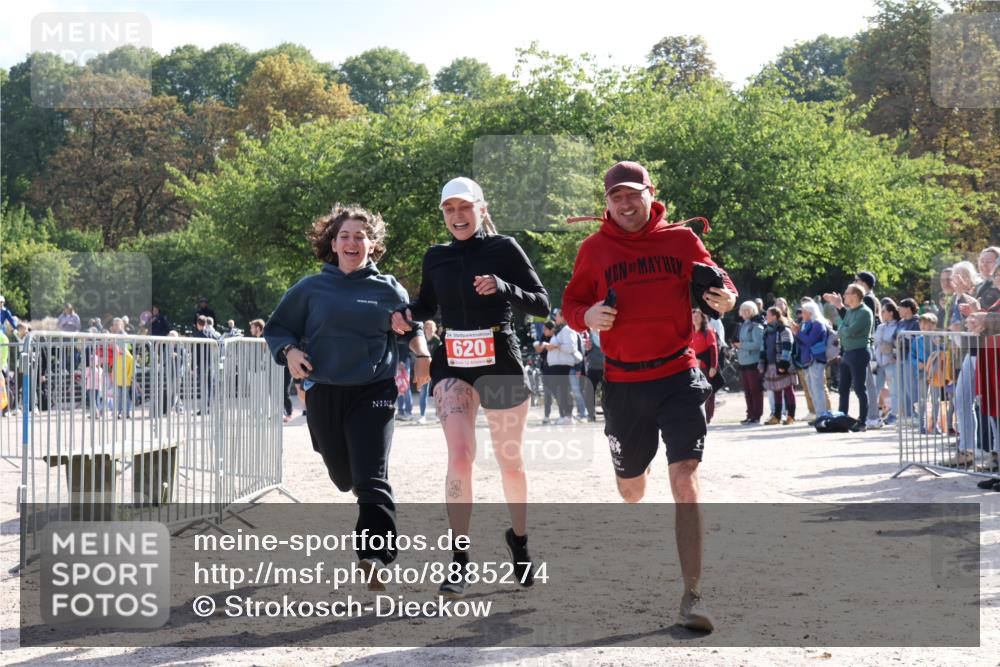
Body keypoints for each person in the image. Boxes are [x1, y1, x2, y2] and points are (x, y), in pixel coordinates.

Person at [562, 160, 737, 632]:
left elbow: (721, 284)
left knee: (684, 477)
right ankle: (628, 474)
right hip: (623, 384)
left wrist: (726, 298)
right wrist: (588, 316)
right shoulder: (593, 250)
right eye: (616, 197)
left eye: (632, 195)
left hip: (679, 374)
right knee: (632, 489)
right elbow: (571, 303)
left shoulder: (680, 241)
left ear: (649, 194)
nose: (625, 204)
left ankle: (692, 595)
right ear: (607, 204)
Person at [392, 177, 550, 598]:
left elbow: (542, 303)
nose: (458, 217)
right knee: (460, 456)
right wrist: (407, 314)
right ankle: (459, 558)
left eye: (465, 208)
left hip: (499, 358)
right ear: (443, 214)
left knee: (509, 462)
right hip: (454, 364)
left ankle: (518, 540)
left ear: (481, 208)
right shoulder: (436, 256)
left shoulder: (504, 248)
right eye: (450, 210)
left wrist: (503, 287)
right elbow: (427, 304)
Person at [266, 203, 430, 583]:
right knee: (344, 477)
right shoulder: (310, 288)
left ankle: (374, 554)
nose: (352, 242)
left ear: (372, 244)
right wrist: (289, 352)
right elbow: (278, 328)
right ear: (333, 243)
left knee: (372, 475)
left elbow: (412, 324)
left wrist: (421, 354)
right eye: (345, 236)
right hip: (325, 391)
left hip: (374, 389)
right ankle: (364, 505)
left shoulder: (387, 287)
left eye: (360, 236)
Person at [824, 284, 875, 430]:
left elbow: (849, 330)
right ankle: (842, 417)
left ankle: (862, 421)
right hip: (847, 352)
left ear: (855, 295)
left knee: (859, 388)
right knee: (843, 388)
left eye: (847, 293)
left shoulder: (865, 312)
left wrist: (843, 328)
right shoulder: (851, 311)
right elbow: (841, 330)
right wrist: (844, 329)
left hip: (859, 352)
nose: (844, 295)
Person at [543, 308, 581, 425]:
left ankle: (568, 415)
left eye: (557, 316)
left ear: (563, 317)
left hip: (562, 366)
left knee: (564, 390)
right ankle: (565, 415)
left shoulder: (567, 330)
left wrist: (555, 346)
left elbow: (571, 347)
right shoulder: (562, 330)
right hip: (557, 366)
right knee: (561, 390)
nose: (556, 318)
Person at [760, 307, 797, 425]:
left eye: (768, 315)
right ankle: (776, 416)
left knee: (788, 390)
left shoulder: (784, 329)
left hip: (782, 364)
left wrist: (783, 364)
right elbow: (763, 348)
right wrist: (761, 362)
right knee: (776, 390)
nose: (766, 317)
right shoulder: (767, 331)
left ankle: (791, 416)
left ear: (775, 316)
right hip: (771, 365)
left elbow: (788, 347)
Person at [793, 302, 830, 419]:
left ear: (810, 312)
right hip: (807, 361)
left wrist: (798, 333)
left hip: (816, 360)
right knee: (811, 390)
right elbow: (802, 342)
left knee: (817, 389)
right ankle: (818, 415)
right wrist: (797, 332)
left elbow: (810, 341)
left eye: (803, 312)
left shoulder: (818, 324)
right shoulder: (807, 324)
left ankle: (821, 416)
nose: (801, 314)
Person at [734, 301, 764, 425]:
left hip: (753, 361)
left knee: (755, 390)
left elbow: (758, 344)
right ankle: (750, 414)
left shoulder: (756, 326)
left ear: (753, 311)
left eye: (748, 310)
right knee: (747, 390)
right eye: (743, 310)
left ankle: (756, 415)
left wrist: (742, 345)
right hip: (743, 361)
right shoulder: (742, 326)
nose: (745, 312)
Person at [872, 300, 901, 425]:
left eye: (884, 311)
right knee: (874, 389)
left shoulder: (898, 326)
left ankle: (894, 415)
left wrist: (894, 353)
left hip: (891, 362)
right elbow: (875, 344)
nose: (881, 313)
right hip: (878, 363)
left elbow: (900, 345)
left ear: (890, 312)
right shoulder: (880, 327)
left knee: (894, 390)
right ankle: (872, 415)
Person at [690, 309, 719, 424]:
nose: (695, 318)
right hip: (692, 367)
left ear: (703, 318)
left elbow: (713, 349)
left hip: (705, 366)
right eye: (693, 316)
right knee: (694, 392)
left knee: (708, 391)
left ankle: (708, 416)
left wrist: (713, 366)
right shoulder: (689, 332)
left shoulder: (708, 331)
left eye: (697, 316)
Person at [416, 320, 442, 424]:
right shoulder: (421, 340)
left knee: (437, 392)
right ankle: (422, 416)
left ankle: (438, 415)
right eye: (428, 328)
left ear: (435, 329)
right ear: (424, 329)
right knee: (423, 393)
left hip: (435, 369)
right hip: (424, 370)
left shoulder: (437, 341)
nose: (430, 330)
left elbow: (440, 357)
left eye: (432, 328)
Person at [583, 328, 605, 423]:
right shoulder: (588, 334)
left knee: (606, 392)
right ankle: (591, 414)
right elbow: (585, 351)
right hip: (592, 367)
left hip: (605, 367)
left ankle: (608, 413)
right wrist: (586, 348)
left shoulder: (605, 331)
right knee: (589, 391)